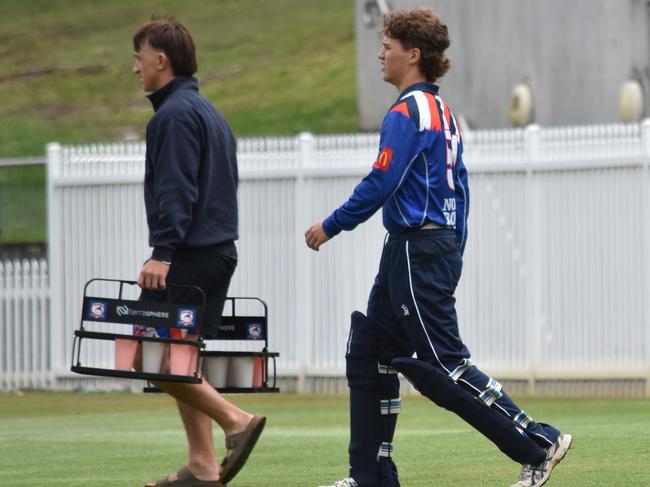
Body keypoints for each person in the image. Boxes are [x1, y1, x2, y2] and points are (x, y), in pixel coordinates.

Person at [305, 8, 571, 487]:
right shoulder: (443, 113)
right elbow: (460, 190)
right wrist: (454, 247)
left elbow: (382, 181)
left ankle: (539, 441)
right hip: (420, 248)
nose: (380, 54)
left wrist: (332, 224)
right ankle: (369, 476)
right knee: (370, 353)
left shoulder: (407, 112)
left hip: (416, 249)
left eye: (388, 45)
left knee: (444, 364)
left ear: (413, 54)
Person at [132, 18, 265, 487]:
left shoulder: (171, 117)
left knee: (147, 352)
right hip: (217, 252)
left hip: (187, 256)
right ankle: (203, 466)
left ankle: (236, 421)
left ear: (160, 60)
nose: (136, 68)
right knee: (181, 355)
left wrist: (162, 253)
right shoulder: (208, 111)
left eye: (139, 57)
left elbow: (177, 191)